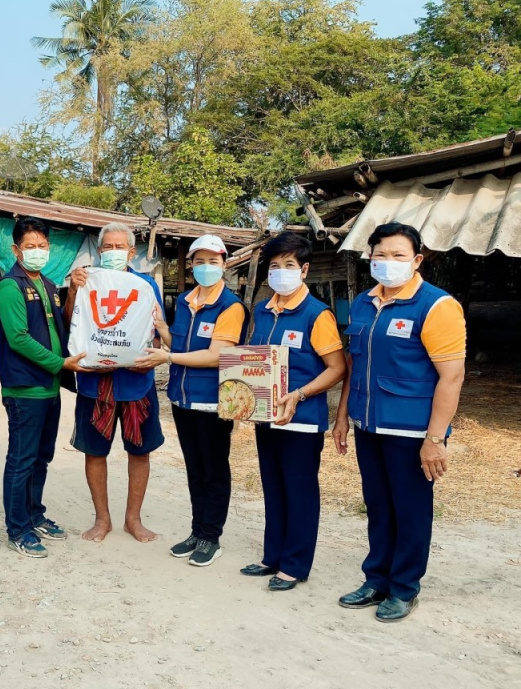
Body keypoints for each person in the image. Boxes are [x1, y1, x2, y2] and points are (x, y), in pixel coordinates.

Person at [333, 222, 465, 622]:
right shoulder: (363, 302)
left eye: (398, 255)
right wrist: (342, 416)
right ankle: (376, 579)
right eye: (380, 255)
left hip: (411, 432)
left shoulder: (436, 306)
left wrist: (435, 439)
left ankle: (405, 588)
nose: (388, 261)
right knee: (377, 506)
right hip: (368, 425)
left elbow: (451, 377)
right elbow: (354, 364)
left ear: (417, 260)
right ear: (370, 258)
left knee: (410, 510)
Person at [237, 233, 346, 591]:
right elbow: (254, 359)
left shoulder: (317, 314)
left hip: (301, 419)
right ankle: (273, 556)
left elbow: (337, 368)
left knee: (299, 491)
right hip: (266, 416)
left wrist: (299, 395)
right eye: (274, 266)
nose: (280, 272)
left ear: (304, 270)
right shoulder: (261, 310)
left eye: (289, 265)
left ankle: (295, 565)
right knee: (273, 487)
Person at [135, 234, 247, 567]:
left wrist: (167, 358)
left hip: (213, 403)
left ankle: (211, 536)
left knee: (214, 470)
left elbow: (216, 355)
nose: (206, 267)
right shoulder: (184, 301)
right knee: (195, 470)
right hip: (182, 400)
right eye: (199, 261)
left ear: (224, 264)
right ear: (191, 265)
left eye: (213, 261)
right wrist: (162, 328)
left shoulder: (231, 307)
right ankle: (197, 532)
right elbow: (180, 345)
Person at [0, 216, 89, 558]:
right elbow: (18, 338)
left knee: (41, 457)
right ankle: (17, 529)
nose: (37, 251)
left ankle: (34, 514)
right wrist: (60, 364)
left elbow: (62, 326)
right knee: (21, 460)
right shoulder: (10, 286)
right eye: (30, 246)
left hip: (49, 388)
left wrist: (73, 292)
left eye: (43, 246)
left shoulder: (47, 284)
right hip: (25, 389)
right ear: (15, 249)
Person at [64, 222, 165, 544]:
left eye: (119, 247)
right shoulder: (85, 281)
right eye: (107, 247)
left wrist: (155, 356)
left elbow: (157, 331)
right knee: (94, 453)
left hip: (136, 383)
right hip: (96, 385)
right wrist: (72, 291)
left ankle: (133, 520)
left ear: (131, 252)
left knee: (140, 452)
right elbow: (70, 323)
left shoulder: (146, 284)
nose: (113, 252)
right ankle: (102, 519)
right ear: (98, 250)